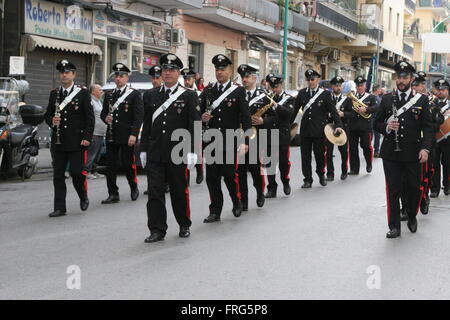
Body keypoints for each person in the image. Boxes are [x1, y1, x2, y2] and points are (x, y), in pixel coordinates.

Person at [140, 53, 200, 243]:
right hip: (156, 152)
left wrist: (193, 151)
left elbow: (194, 125)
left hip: (178, 152)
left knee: (178, 191)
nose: (167, 73)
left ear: (178, 73)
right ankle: (157, 229)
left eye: (172, 70)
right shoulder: (150, 95)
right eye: (165, 69)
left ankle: (184, 224)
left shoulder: (189, 95)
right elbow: (147, 124)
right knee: (155, 192)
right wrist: (143, 149)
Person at [374, 61, 433, 238]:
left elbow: (428, 127)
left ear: (411, 79)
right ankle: (394, 227)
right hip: (391, 152)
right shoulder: (386, 99)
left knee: (414, 188)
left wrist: (425, 149)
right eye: (398, 77)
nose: (401, 80)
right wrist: (386, 126)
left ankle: (411, 214)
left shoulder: (421, 100)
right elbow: (375, 123)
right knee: (393, 189)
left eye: (405, 77)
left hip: (413, 152)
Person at [200, 54, 252, 223]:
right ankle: (215, 210)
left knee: (229, 175)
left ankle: (237, 202)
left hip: (230, 141)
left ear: (230, 71)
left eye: (222, 69)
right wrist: (203, 117)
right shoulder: (208, 90)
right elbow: (197, 113)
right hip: (211, 141)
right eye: (217, 69)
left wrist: (245, 142)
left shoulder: (238, 91)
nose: (219, 72)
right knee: (212, 178)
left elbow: (245, 118)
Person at [44, 59, 94, 217]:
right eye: (61, 72)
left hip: (76, 141)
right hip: (58, 141)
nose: (64, 75)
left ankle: (83, 195)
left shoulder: (83, 93)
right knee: (58, 175)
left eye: (67, 72)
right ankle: (60, 207)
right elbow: (47, 114)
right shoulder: (54, 93)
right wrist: (51, 120)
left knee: (76, 173)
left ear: (73, 75)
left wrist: (87, 137)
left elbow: (89, 118)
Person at [100, 63, 143, 204]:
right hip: (112, 134)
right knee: (110, 166)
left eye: (121, 76)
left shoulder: (134, 94)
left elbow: (138, 116)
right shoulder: (109, 95)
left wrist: (134, 134)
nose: (118, 79)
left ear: (126, 78)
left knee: (127, 164)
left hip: (127, 135)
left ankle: (133, 186)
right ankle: (113, 193)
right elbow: (103, 113)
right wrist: (106, 118)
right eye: (116, 76)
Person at [293, 69, 343, 188]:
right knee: (305, 157)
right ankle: (307, 179)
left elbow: (333, 111)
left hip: (319, 131)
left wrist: (339, 125)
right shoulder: (302, 93)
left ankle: (321, 174)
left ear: (317, 80)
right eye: (308, 79)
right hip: (305, 130)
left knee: (320, 155)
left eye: (312, 79)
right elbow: (294, 111)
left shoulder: (325, 94)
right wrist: (287, 126)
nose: (310, 82)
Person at [236, 64, 270, 210]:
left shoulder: (264, 96)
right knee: (241, 170)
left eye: (247, 77)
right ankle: (244, 200)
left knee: (256, 168)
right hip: (239, 136)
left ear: (254, 78)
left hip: (256, 137)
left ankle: (260, 193)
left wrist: (264, 121)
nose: (244, 80)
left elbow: (275, 117)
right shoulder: (236, 94)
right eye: (243, 77)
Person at [264, 73, 294, 198]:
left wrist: (276, 105)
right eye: (272, 87)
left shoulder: (289, 99)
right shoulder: (266, 98)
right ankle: (271, 188)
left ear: (281, 85)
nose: (274, 89)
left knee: (283, 162)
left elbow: (288, 113)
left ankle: (285, 181)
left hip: (282, 134)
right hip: (270, 133)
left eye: (276, 86)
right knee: (270, 163)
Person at [347, 76, 378, 175]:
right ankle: (354, 169)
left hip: (365, 127)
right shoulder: (351, 97)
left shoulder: (371, 97)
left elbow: (376, 107)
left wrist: (366, 109)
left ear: (365, 86)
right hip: (352, 126)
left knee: (366, 147)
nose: (360, 87)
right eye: (358, 86)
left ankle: (369, 163)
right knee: (352, 148)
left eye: (361, 85)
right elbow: (347, 109)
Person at [326, 76, 352, 181]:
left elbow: (353, 114)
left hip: (343, 129)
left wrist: (344, 114)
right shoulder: (327, 98)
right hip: (329, 128)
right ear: (332, 86)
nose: (338, 87)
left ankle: (344, 171)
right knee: (328, 153)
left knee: (344, 152)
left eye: (340, 85)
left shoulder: (347, 99)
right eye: (336, 85)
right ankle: (330, 174)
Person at [182, 68, 204, 184]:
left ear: (194, 79)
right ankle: (186, 179)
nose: (186, 81)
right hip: (184, 127)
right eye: (185, 78)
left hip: (196, 126)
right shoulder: (181, 93)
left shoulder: (199, 93)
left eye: (188, 79)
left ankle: (200, 170)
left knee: (197, 151)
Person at [430, 78, 450, 198]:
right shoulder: (432, 103)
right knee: (434, 164)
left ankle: (447, 185)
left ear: (448, 91)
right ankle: (435, 188)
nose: (441, 91)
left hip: (448, 138)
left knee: (447, 163)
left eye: (443, 89)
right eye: (439, 89)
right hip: (434, 138)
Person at [85, 84, 107, 179]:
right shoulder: (90, 101)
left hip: (101, 132)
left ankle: (94, 170)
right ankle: (86, 171)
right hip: (94, 132)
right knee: (91, 153)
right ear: (93, 91)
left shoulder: (99, 101)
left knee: (97, 154)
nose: (102, 91)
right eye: (99, 90)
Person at [372, 84, 383, 158]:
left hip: (377, 118)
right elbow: (376, 108)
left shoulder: (378, 97)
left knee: (377, 136)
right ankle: (375, 151)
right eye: (380, 89)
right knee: (374, 136)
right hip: (373, 118)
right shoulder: (373, 97)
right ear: (377, 90)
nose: (380, 90)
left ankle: (376, 151)